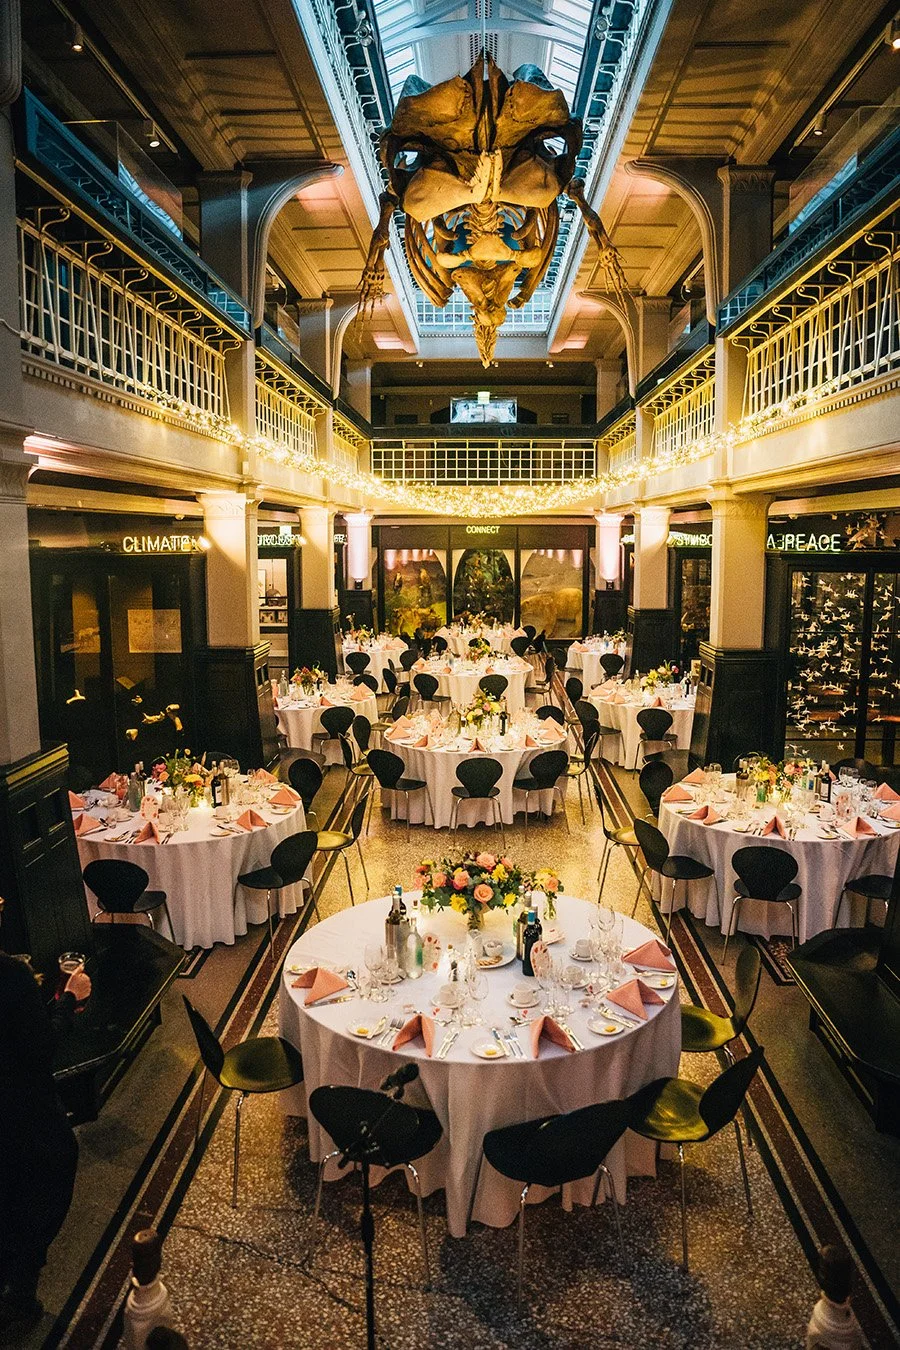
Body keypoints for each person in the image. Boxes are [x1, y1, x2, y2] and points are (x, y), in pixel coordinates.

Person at [0, 900, 91, 1342]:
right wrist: (69, 1000)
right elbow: (42, 1048)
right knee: (42, 1183)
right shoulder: (10, 976)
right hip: (21, 1111)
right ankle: (20, 1292)